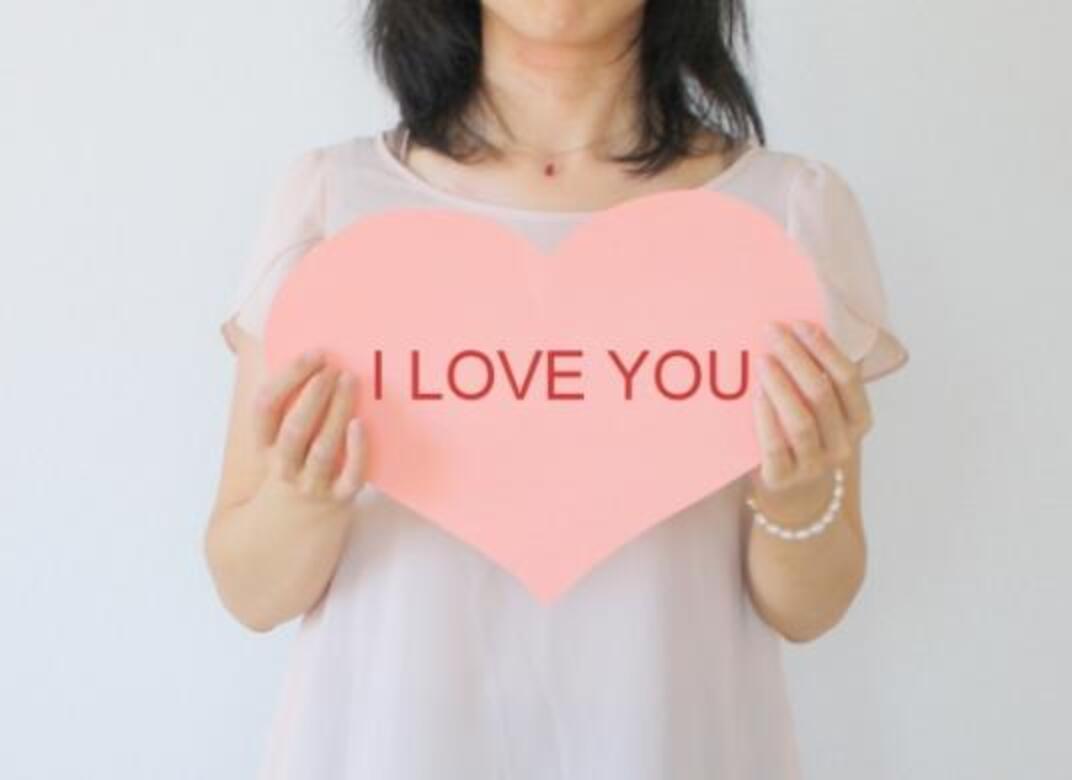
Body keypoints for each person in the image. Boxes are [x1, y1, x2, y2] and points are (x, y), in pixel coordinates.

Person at [205, 1, 910, 777]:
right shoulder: (333, 204)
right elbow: (250, 591)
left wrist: (797, 496)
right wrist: (304, 496)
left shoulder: (786, 215)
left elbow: (811, 609)